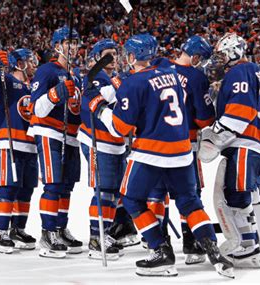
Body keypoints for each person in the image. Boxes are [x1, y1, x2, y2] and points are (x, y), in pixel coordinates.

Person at [90, 33, 234, 278]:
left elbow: (121, 128)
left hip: (150, 152)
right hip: (182, 151)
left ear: (134, 56)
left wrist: (101, 109)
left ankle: (160, 250)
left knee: (132, 198)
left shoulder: (133, 83)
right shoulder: (173, 75)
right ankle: (213, 252)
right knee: (189, 202)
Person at [199, 33, 260, 267]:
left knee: (236, 193)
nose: (221, 59)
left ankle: (248, 245)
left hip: (247, 143)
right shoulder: (251, 70)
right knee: (253, 192)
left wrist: (213, 133)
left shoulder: (239, 72)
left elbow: (239, 112)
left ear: (235, 51)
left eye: (224, 53)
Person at [148, 35, 216, 264]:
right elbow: (206, 118)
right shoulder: (197, 77)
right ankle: (192, 244)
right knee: (189, 194)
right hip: (185, 144)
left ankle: (158, 243)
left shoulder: (159, 67)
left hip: (154, 143)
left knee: (156, 194)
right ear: (195, 56)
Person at [0, 48, 39, 253]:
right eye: (29, 61)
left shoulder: (33, 86)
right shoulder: (6, 81)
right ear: (19, 63)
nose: (33, 64)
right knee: (9, 186)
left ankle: (18, 229)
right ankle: (1, 230)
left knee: (26, 189)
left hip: (31, 144)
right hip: (8, 140)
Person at [28, 26, 82, 258]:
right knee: (53, 184)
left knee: (66, 185)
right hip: (50, 131)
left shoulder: (76, 74)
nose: (73, 46)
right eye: (68, 41)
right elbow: (36, 108)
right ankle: (47, 232)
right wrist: (55, 93)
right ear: (57, 45)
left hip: (71, 135)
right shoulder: (47, 70)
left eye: (76, 42)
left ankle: (59, 228)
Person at [79, 38, 124, 260]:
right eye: (108, 54)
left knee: (114, 191)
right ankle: (96, 238)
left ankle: (104, 231)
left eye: (115, 54)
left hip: (115, 141)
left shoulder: (112, 77)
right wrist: (120, 85)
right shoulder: (93, 76)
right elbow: (106, 97)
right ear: (97, 57)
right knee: (104, 189)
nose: (113, 58)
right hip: (96, 139)